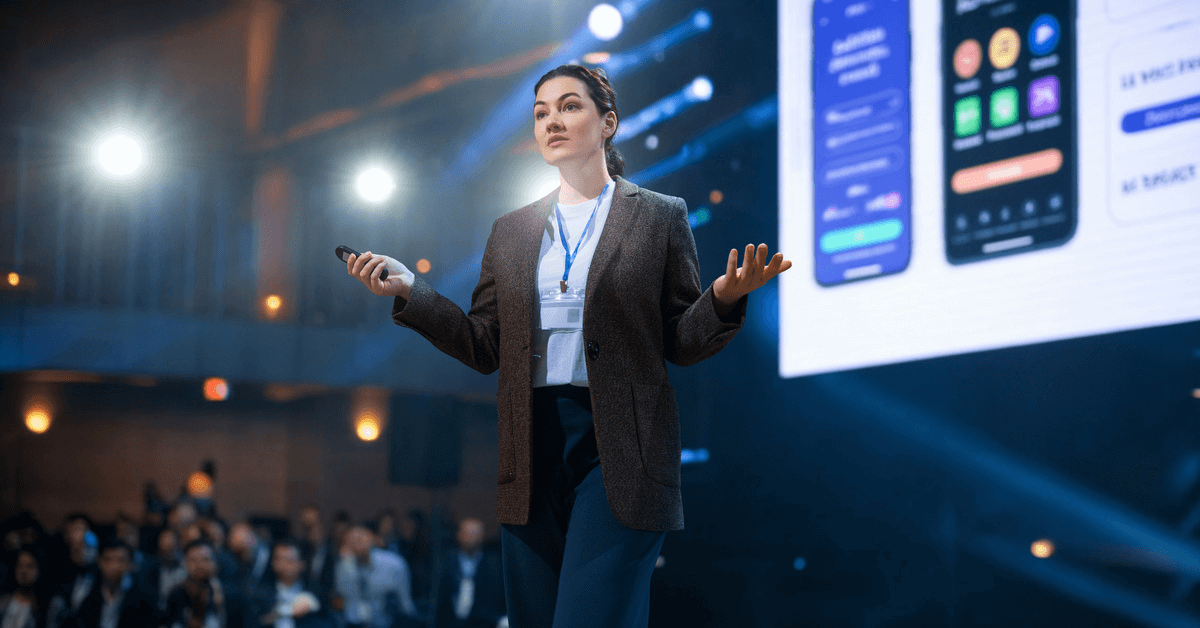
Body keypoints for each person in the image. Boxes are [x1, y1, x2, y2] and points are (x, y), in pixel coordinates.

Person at [346, 64, 790, 627]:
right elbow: (484, 346)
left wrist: (723, 297)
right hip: (530, 449)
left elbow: (680, 340)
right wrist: (413, 291)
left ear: (608, 122)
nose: (552, 120)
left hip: (621, 451)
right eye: (540, 113)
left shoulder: (658, 216)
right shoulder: (512, 231)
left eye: (569, 106)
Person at [332, 524, 415, 628]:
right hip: (353, 623)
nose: (357, 543)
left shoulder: (394, 564)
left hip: (386, 622)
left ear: (372, 538)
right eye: (352, 540)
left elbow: (405, 601)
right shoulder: (343, 566)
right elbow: (341, 596)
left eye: (361, 538)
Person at [432, 519, 504, 628]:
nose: (471, 537)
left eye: (474, 533)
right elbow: (438, 600)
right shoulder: (447, 562)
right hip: (451, 623)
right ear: (459, 535)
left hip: (484, 623)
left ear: (482, 536)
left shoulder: (494, 564)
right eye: (467, 533)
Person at [71, 540, 154, 628]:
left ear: (130, 564)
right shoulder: (90, 598)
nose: (113, 566)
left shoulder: (142, 599)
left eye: (120, 560)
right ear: (100, 562)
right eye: (108, 560)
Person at [247, 541, 330, 628]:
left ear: (301, 564)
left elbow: (327, 620)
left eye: (289, 560)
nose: (284, 565)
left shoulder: (315, 592)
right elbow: (253, 622)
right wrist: (284, 613)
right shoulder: (262, 594)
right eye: (279, 559)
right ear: (273, 563)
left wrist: (309, 611)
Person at [163, 541, 244, 628]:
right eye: (193, 560)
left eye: (205, 560)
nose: (199, 565)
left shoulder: (234, 597)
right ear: (185, 564)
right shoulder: (176, 595)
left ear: (215, 563)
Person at [0, 546, 51, 628]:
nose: (23, 571)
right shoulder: (3, 602)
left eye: (29, 566)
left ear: (38, 570)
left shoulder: (41, 610)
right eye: (20, 566)